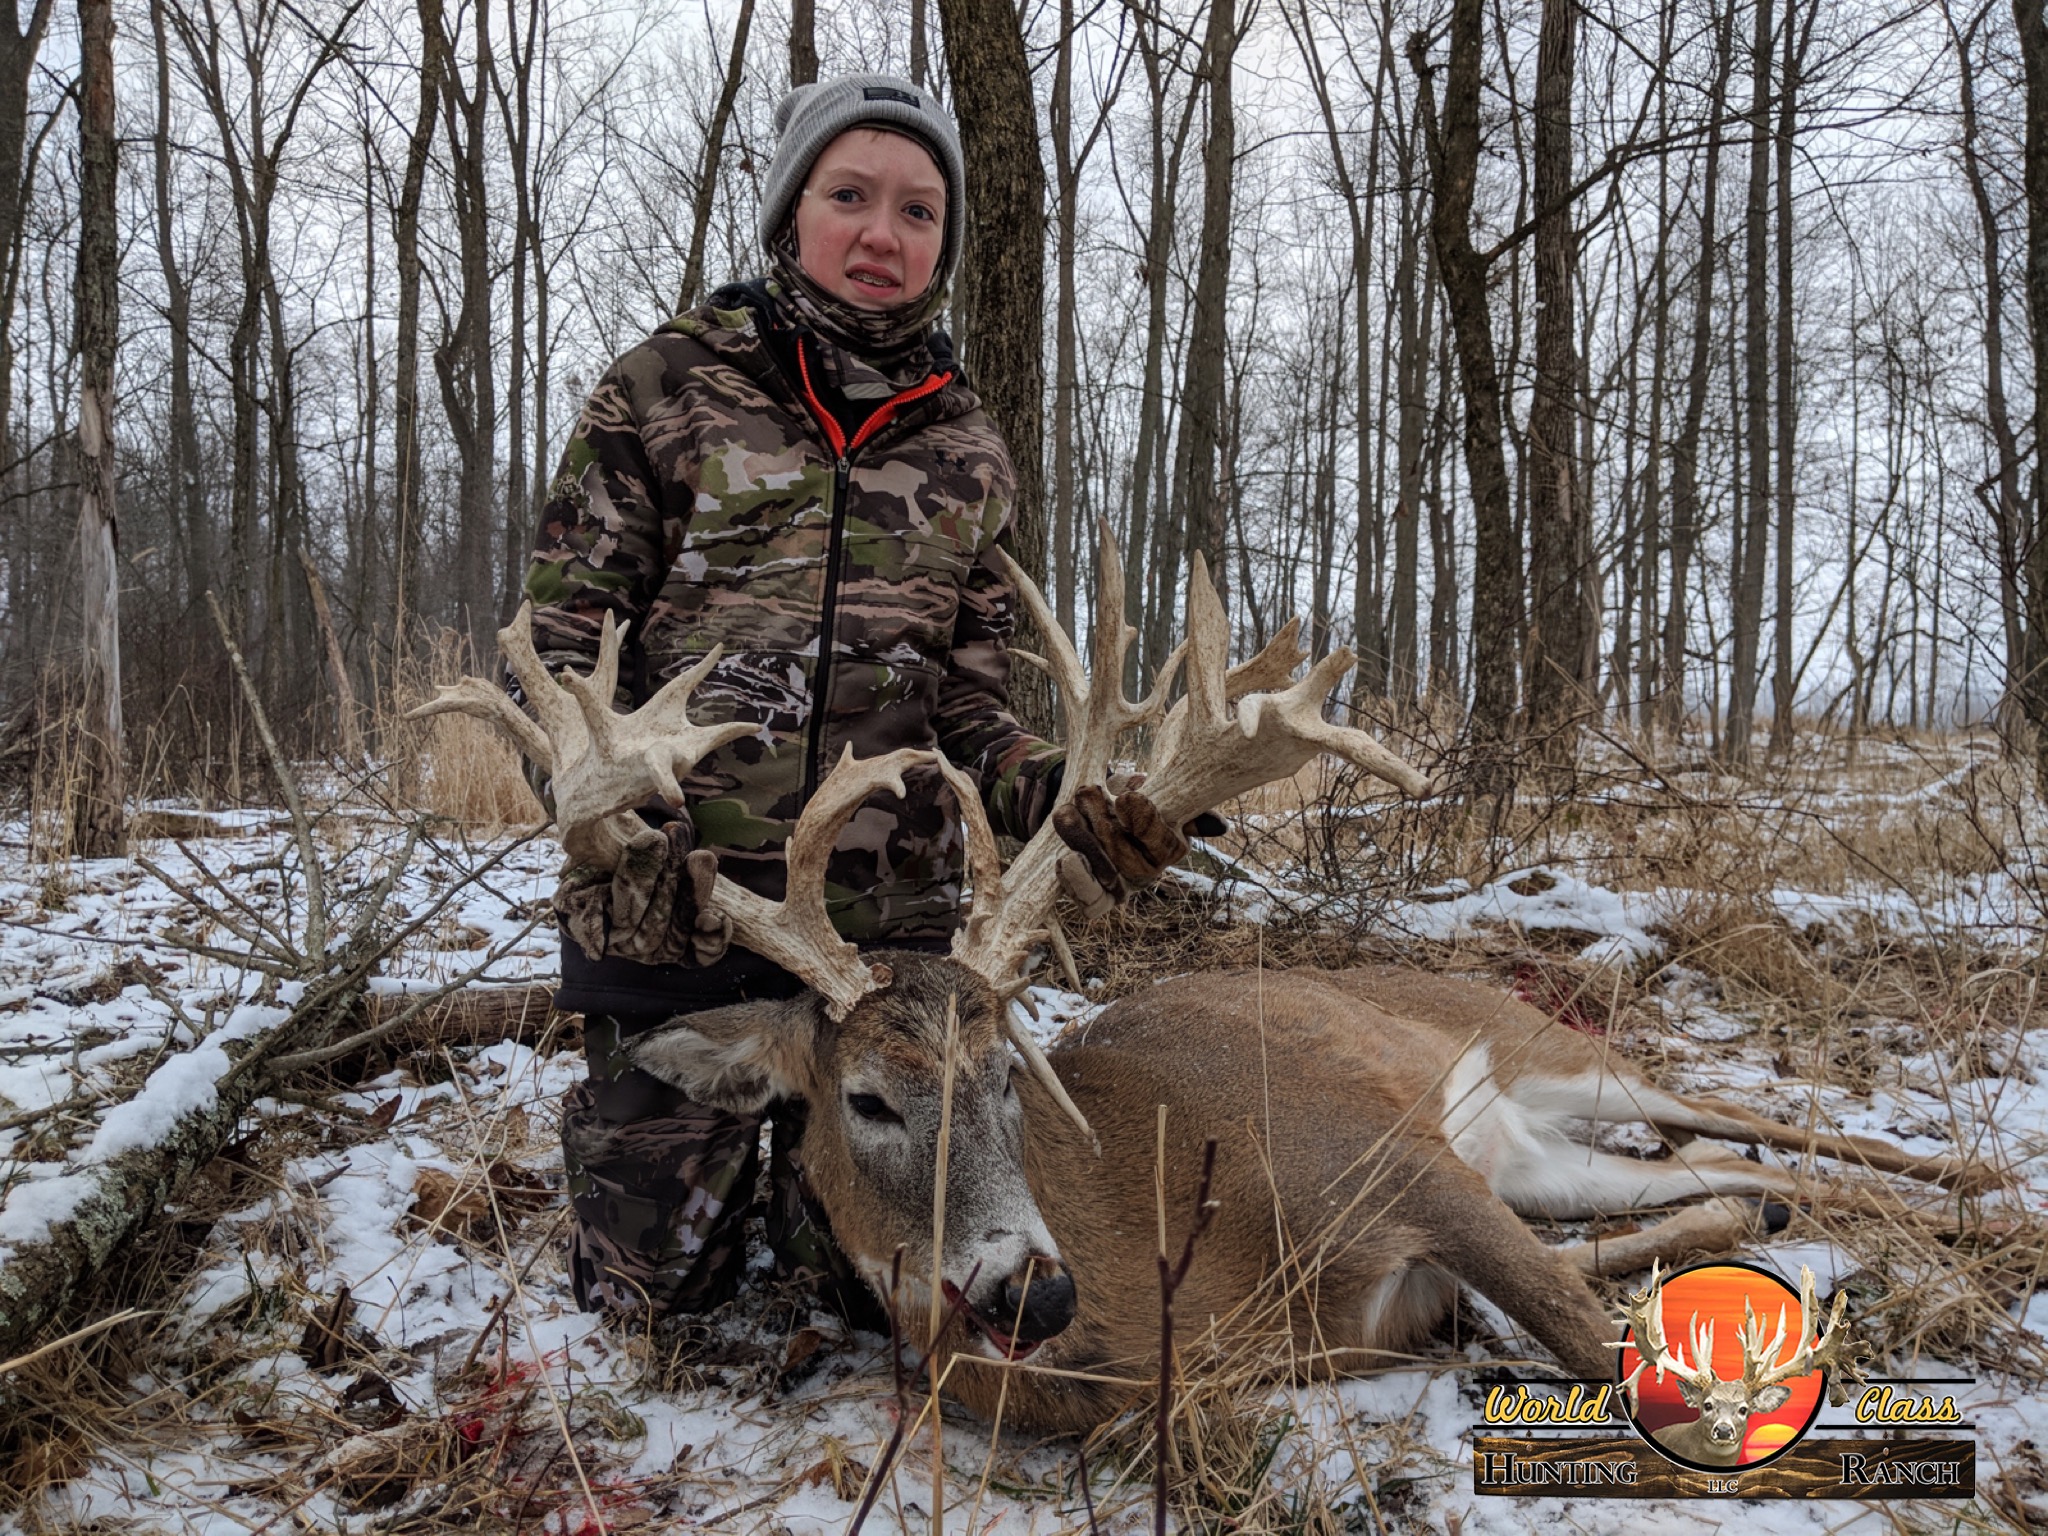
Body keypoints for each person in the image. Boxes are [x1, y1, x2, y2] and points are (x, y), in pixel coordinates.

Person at [519, 74, 1191, 1323]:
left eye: (918, 210)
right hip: (679, 927)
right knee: (657, 1303)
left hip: (883, 963)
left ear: (943, 240)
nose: (882, 235)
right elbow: (564, 664)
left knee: (877, 1304)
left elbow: (975, 700)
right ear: (790, 213)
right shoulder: (662, 388)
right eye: (848, 197)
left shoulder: (965, 445)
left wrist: (1062, 798)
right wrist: (613, 829)